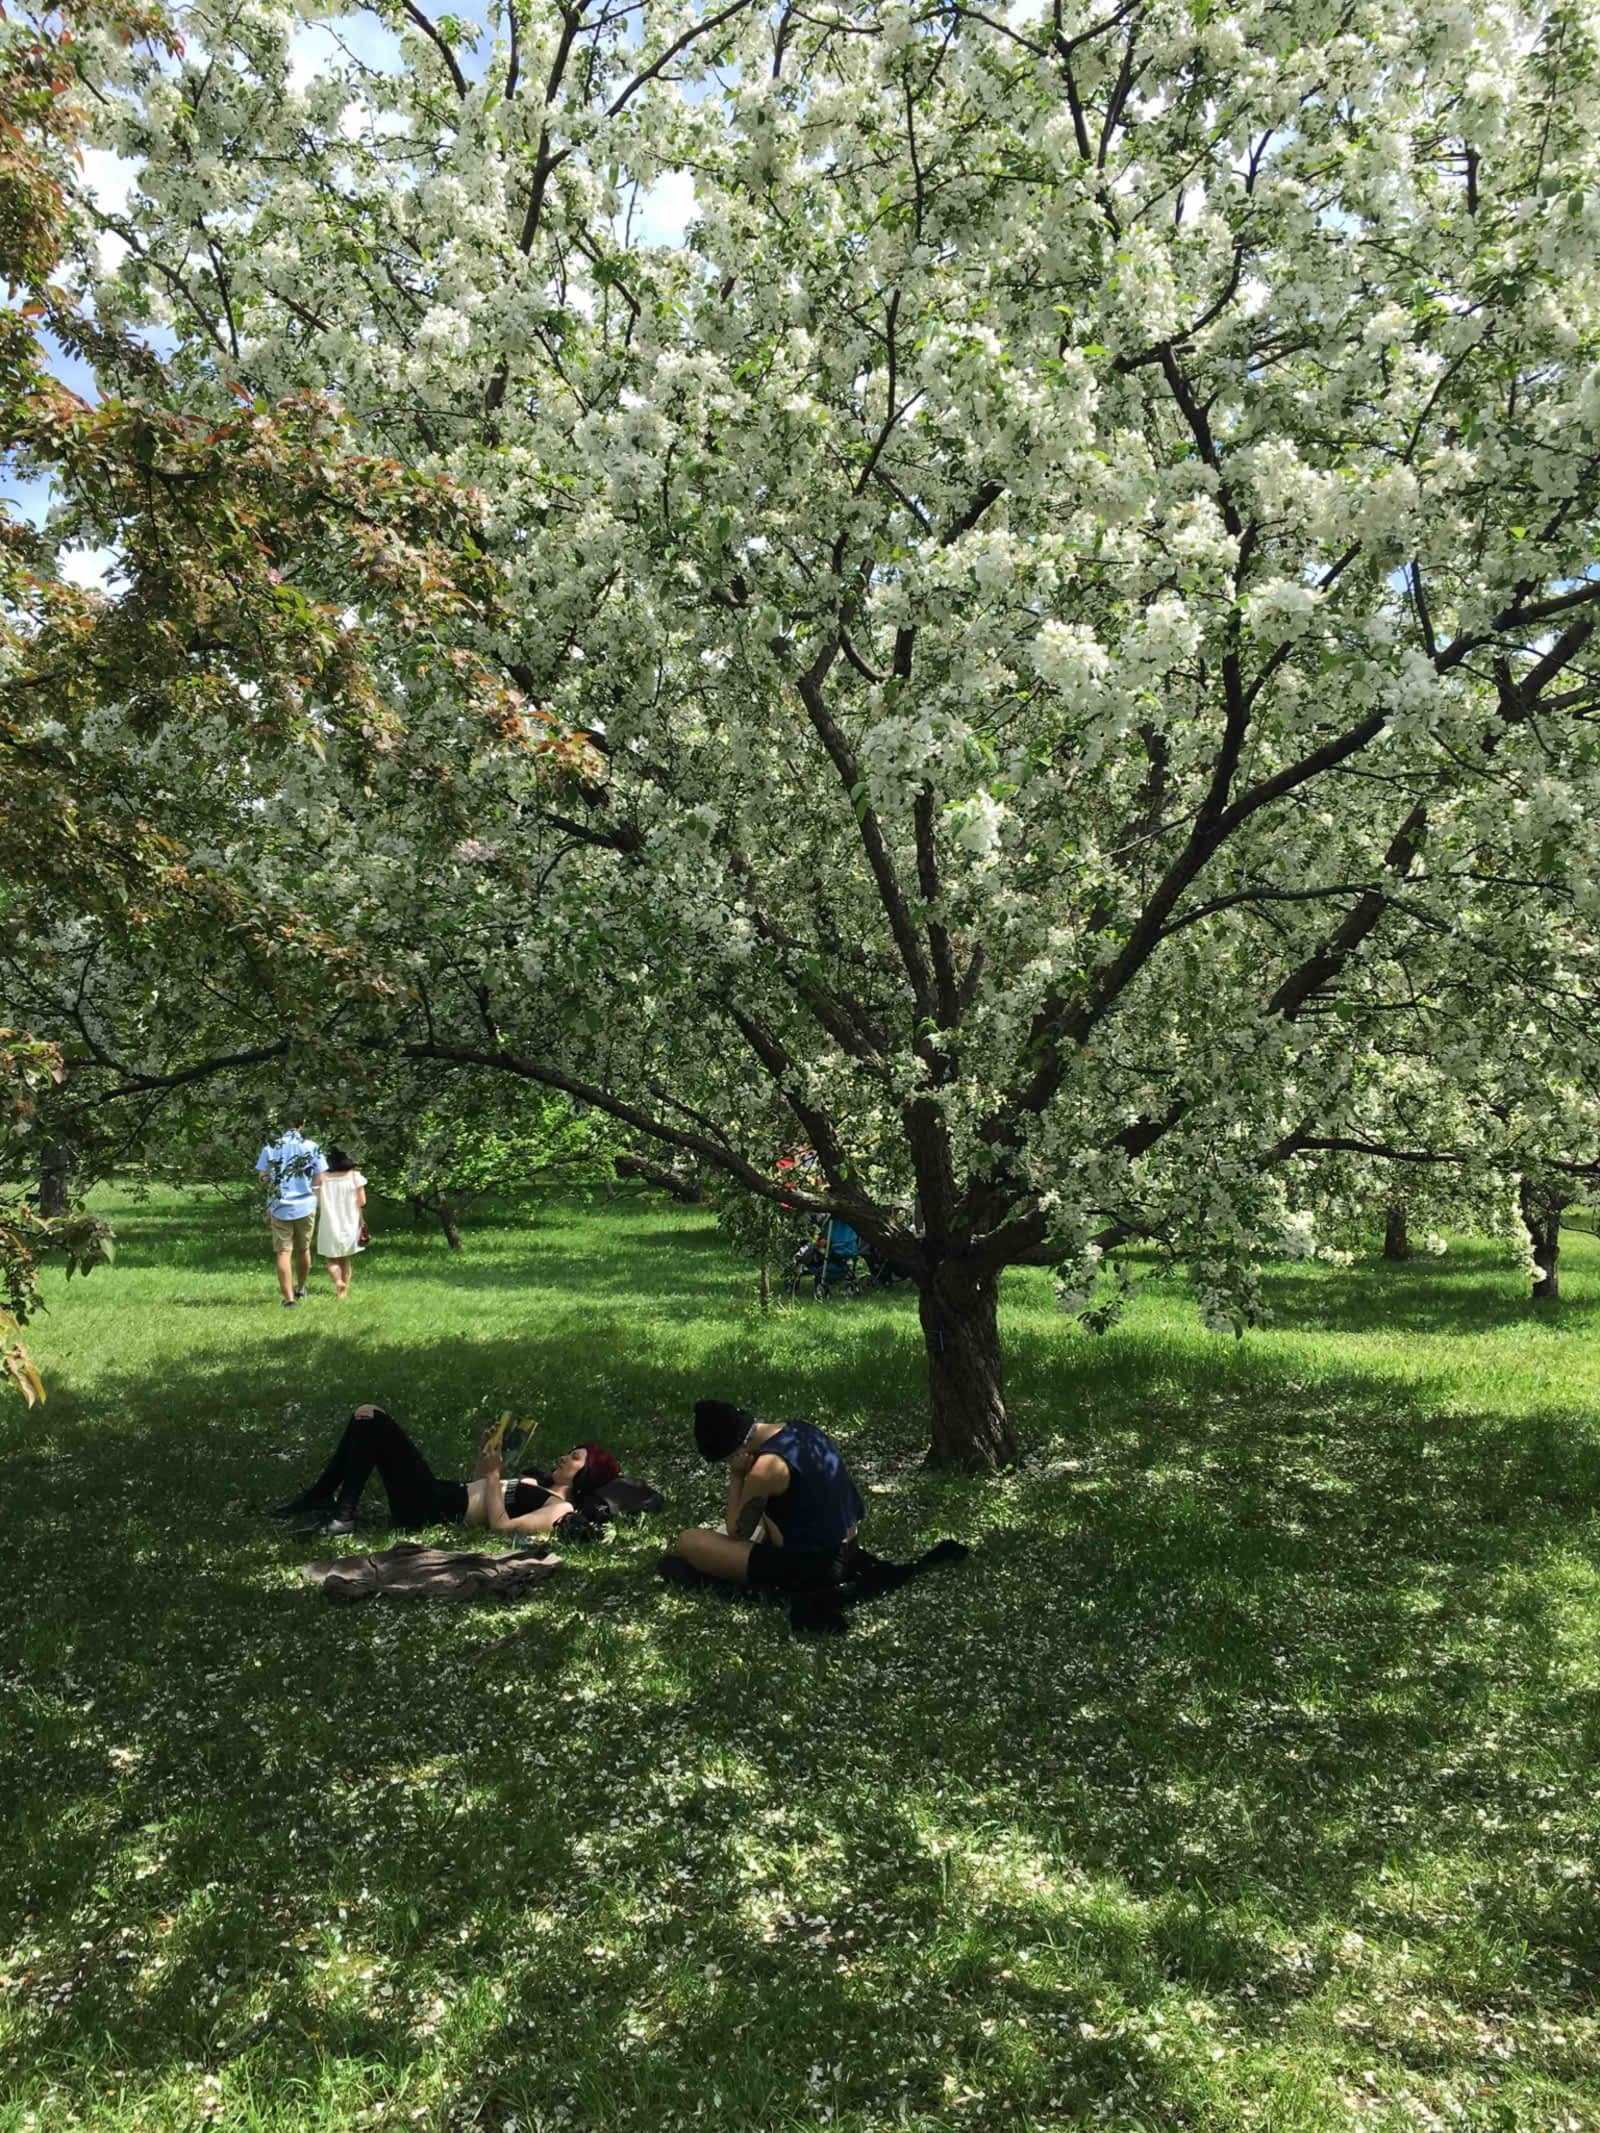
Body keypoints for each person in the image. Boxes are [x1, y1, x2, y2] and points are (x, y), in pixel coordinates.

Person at [662, 1400, 967, 1632]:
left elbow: (736, 1532)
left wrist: (737, 1477)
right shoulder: (800, 1429)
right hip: (848, 1548)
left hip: (817, 1567)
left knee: (690, 1541)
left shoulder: (764, 1468)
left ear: (731, 1452)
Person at [270, 1404, 623, 1539]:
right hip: (441, 1493)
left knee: (373, 1418)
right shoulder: (536, 1481)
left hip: (432, 1506)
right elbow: (478, 1486)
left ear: (587, 1472)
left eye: (575, 1457)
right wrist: (486, 1458)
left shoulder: (561, 1510)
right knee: (365, 1418)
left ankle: (340, 1511)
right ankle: (325, 1499)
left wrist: (496, 1476)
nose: (564, 1457)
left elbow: (500, 1526)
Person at [255, 1117, 326, 1308]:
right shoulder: (312, 1146)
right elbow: (320, 1176)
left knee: (283, 1252)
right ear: (302, 1123)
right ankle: (301, 1287)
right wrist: (312, 1192)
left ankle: (289, 1299)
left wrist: (272, 1187)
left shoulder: (271, 1147)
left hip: (280, 1206)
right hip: (305, 1204)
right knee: (303, 1249)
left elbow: (263, 1176)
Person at [315, 1146, 368, 1299]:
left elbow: (317, 1201)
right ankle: (343, 1292)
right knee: (345, 1258)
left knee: (331, 1258)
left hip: (329, 1221)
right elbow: (362, 1201)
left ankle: (338, 1281)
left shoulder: (322, 1178)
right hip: (350, 1221)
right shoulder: (355, 1177)